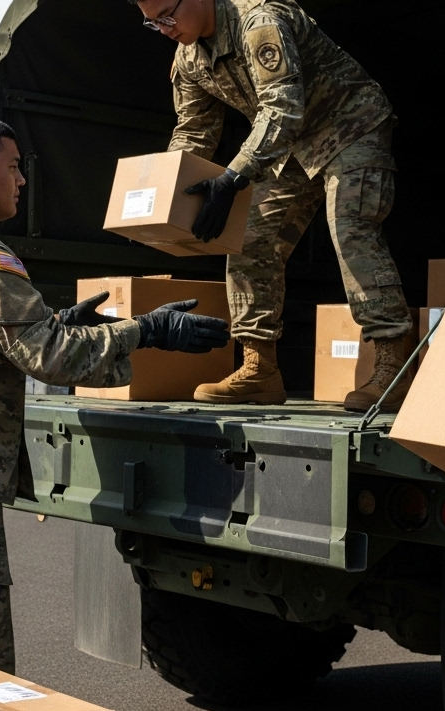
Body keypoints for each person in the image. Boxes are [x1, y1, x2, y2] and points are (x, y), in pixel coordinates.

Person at [0, 114, 228, 676]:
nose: (21, 181)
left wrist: (59, 320)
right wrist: (147, 332)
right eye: (13, 168)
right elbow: (47, 356)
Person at [135, 0, 414, 411]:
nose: (163, 29)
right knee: (248, 237)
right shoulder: (190, 57)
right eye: (151, 22)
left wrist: (232, 179)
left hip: (351, 127)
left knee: (351, 227)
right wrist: (166, 196)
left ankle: (395, 363)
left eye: (167, 16)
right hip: (291, 147)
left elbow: (283, 108)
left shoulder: (258, 22)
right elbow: (194, 130)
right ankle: (259, 369)